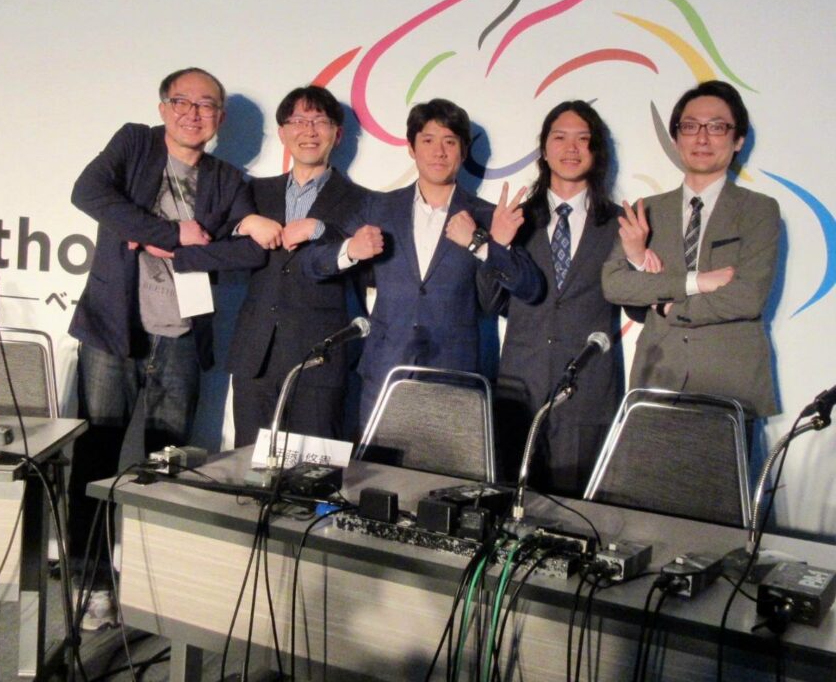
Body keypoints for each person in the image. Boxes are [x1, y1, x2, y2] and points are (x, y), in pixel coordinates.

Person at [67, 66, 255, 629]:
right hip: (114, 328)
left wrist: (174, 244)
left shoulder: (227, 179)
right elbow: (88, 194)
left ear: (220, 118)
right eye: (182, 101)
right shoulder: (135, 145)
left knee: (167, 469)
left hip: (181, 336)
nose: (193, 113)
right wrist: (171, 232)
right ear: (162, 107)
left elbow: (244, 251)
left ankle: (157, 589)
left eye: (206, 105)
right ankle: (92, 584)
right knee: (97, 460)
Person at [307, 98, 544, 429]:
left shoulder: (487, 215)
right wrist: (351, 249)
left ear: (464, 151)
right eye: (428, 140)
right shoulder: (378, 206)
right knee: (378, 462)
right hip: (385, 370)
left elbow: (531, 288)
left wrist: (485, 244)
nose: (439, 152)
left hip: (455, 376)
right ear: (411, 148)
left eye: (450, 142)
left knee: (444, 464)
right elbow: (314, 263)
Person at [602, 80, 780, 422]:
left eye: (716, 127)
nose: (701, 138)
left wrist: (666, 305)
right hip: (657, 379)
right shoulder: (646, 210)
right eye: (690, 127)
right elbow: (615, 285)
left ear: (738, 139)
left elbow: (746, 297)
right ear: (676, 139)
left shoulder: (759, 210)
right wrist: (695, 281)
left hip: (729, 382)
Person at [481, 101, 623, 496]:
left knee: (577, 512)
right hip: (519, 389)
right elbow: (490, 302)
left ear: (596, 151)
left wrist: (642, 258)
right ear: (544, 149)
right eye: (560, 137)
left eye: (583, 139)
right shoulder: (515, 219)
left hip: (587, 391)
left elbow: (635, 303)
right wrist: (497, 245)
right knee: (510, 506)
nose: (571, 148)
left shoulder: (619, 224)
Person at [225, 86, 369, 447]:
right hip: (255, 356)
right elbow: (217, 237)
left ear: (337, 134)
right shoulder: (253, 192)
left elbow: (370, 265)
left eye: (320, 121)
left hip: (321, 359)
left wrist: (321, 230)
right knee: (248, 465)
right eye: (299, 121)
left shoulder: (363, 200)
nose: (309, 131)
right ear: (282, 133)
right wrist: (244, 224)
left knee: (315, 469)